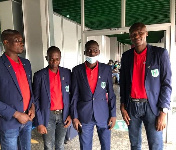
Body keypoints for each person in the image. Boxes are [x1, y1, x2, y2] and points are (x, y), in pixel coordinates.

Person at [120, 22, 172, 150]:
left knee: (155, 145)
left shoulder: (160, 54)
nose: (137, 36)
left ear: (147, 33)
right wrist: (122, 105)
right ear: (130, 37)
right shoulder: (126, 57)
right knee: (135, 144)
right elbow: (124, 83)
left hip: (152, 107)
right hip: (132, 106)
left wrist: (163, 112)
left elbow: (167, 84)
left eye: (140, 32)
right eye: (133, 34)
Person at [0, 29, 35, 150]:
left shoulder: (26, 63)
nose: (21, 43)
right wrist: (16, 114)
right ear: (6, 42)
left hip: (27, 120)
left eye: (22, 41)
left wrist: (32, 106)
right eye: (17, 41)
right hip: (8, 124)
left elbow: (29, 89)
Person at [70, 40, 116, 150]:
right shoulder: (77, 70)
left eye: (95, 50)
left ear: (99, 51)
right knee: (85, 146)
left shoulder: (106, 69)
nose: (92, 53)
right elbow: (74, 95)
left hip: (103, 114)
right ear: (85, 52)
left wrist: (113, 114)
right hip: (84, 115)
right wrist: (75, 117)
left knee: (106, 146)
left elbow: (111, 93)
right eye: (89, 50)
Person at [33, 46, 72, 150]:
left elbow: (72, 95)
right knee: (48, 146)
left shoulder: (67, 73)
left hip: (63, 115)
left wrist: (71, 115)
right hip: (47, 116)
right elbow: (35, 100)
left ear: (60, 59)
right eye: (51, 58)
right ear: (47, 58)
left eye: (57, 59)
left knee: (60, 145)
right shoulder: (39, 76)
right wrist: (40, 122)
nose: (54, 61)